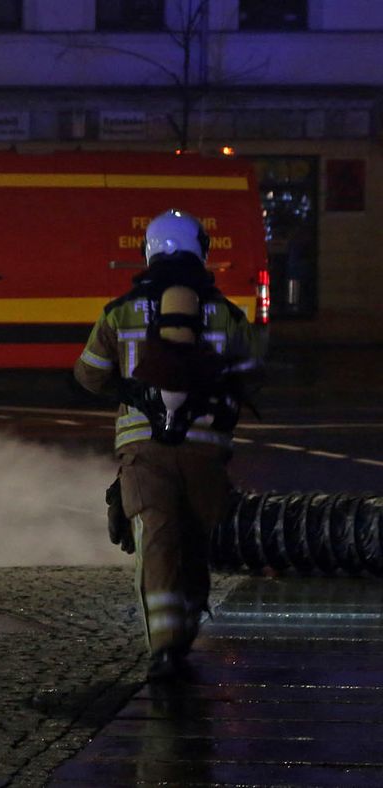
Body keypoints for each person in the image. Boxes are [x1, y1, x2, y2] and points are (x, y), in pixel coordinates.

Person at [74, 209, 263, 682]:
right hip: (206, 449)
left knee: (156, 541)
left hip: (144, 450)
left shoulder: (119, 312)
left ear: (149, 251)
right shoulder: (226, 314)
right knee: (197, 543)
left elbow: (88, 374)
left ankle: (163, 650)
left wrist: (128, 389)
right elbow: (252, 372)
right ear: (201, 251)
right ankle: (187, 629)